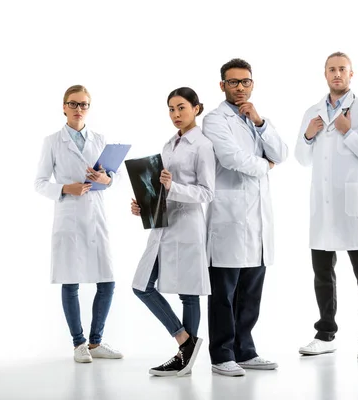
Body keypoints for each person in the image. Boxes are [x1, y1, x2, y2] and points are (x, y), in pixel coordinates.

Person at [202, 58, 288, 376]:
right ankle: (221, 354)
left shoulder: (255, 118)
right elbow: (230, 157)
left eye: (245, 82)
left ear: (252, 84)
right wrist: (264, 166)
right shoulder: (213, 120)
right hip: (229, 217)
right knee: (224, 293)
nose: (240, 87)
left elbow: (281, 153)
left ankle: (245, 350)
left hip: (257, 220)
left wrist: (261, 122)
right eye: (233, 82)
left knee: (250, 290)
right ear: (222, 85)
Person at [295, 52, 358, 360]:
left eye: (342, 69)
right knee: (322, 272)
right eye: (332, 69)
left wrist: (348, 131)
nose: (336, 74)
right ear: (325, 74)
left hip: (352, 204)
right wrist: (308, 135)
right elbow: (302, 158)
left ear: (351, 74)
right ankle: (325, 333)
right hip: (324, 206)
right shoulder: (312, 112)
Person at [34, 85, 123, 363]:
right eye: (73, 104)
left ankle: (96, 342)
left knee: (107, 282)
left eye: (83, 104)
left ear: (88, 108)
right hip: (69, 217)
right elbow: (39, 183)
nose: (78, 109)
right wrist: (64, 189)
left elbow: (115, 176)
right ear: (63, 107)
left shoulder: (100, 138)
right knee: (70, 282)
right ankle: (78, 344)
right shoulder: (52, 141)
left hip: (96, 217)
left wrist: (107, 180)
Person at [131, 87, 215, 376]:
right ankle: (185, 342)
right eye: (171, 109)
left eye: (181, 108)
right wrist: (145, 204)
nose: (176, 114)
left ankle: (184, 358)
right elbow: (161, 187)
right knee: (141, 285)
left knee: (188, 293)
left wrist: (172, 187)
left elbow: (207, 193)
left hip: (188, 225)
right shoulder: (169, 145)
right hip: (163, 224)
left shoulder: (202, 145)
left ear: (196, 108)